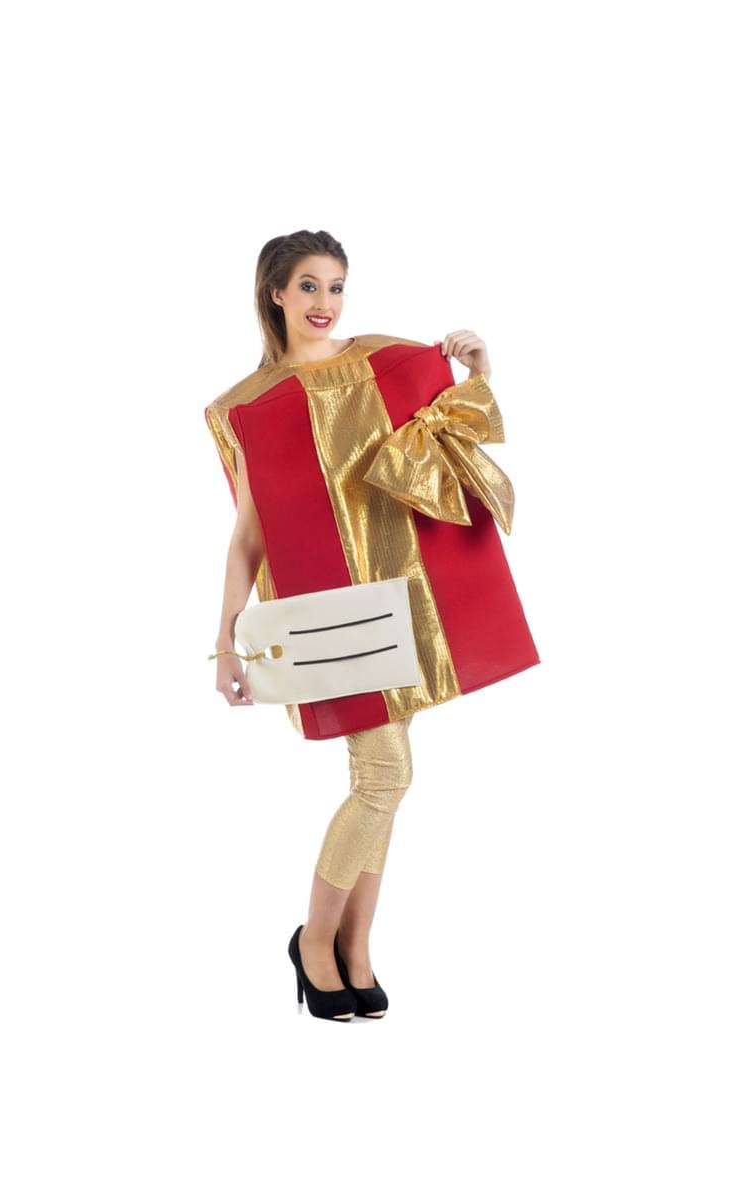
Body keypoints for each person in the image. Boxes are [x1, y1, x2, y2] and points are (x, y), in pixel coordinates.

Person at [205, 230, 540, 1021]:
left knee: (380, 786)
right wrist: (225, 642)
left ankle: (354, 948)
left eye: (336, 286)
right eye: (308, 286)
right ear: (275, 293)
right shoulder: (248, 406)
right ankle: (315, 941)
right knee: (384, 777)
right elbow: (249, 534)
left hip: (406, 598)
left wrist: (477, 371)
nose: (325, 302)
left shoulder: (383, 361)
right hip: (331, 616)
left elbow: (447, 436)